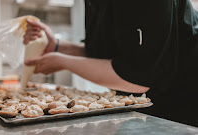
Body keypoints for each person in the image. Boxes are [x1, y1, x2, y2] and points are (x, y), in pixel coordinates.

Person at [23, 0, 198, 127]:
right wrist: (57, 47)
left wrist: (62, 61)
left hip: (185, 101)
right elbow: (107, 54)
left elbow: (137, 79)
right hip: (147, 105)